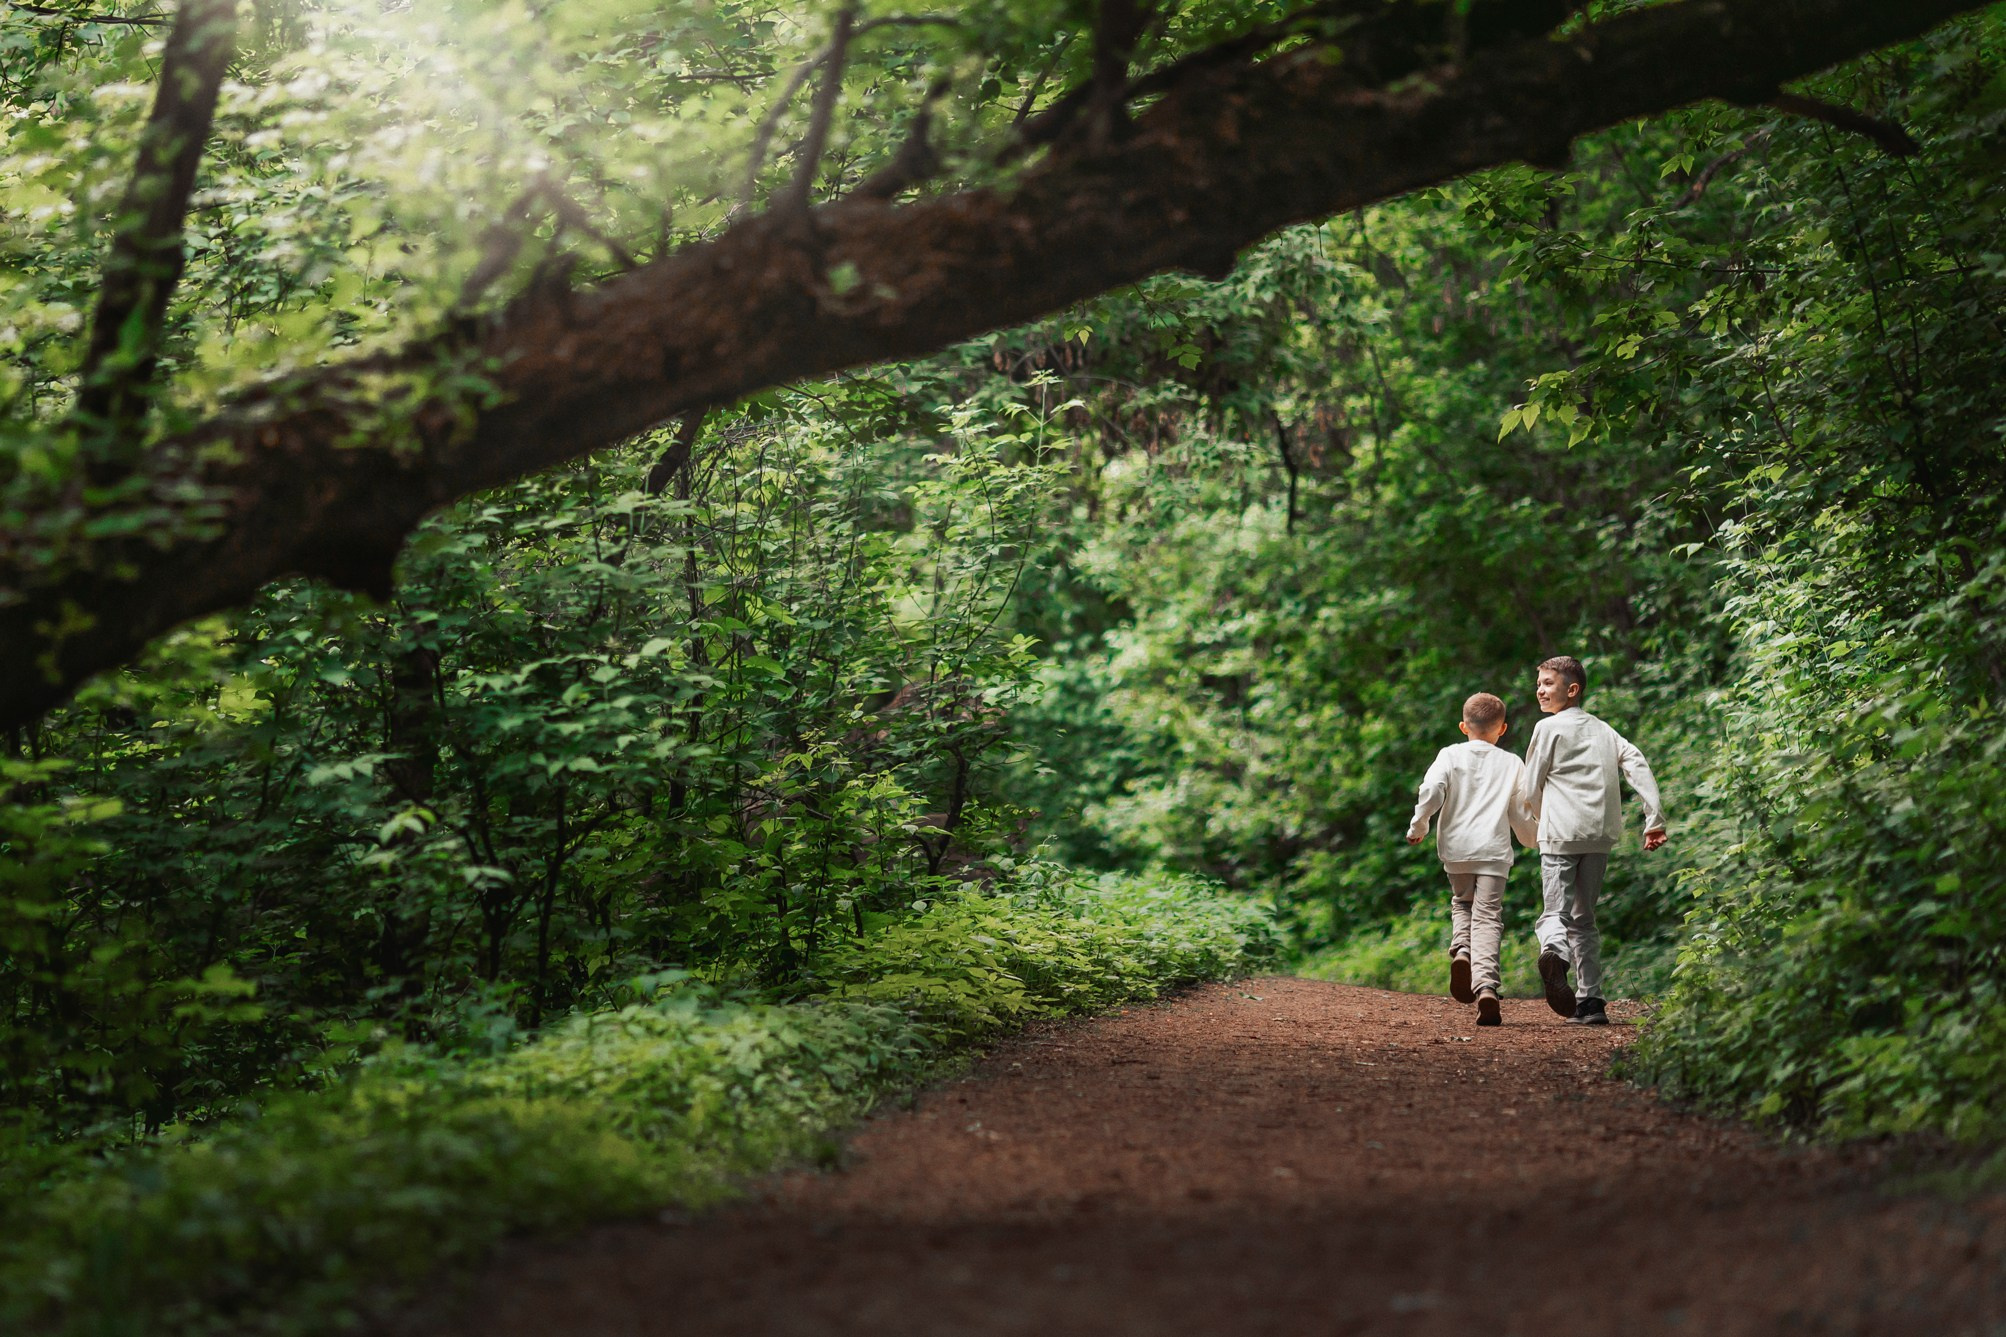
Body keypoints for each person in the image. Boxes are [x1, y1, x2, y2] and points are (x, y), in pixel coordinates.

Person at [1522, 655, 1667, 1026]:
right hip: (1600, 834)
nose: (1540, 689)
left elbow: (1531, 784)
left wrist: (1540, 820)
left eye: (1548, 683)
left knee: (1556, 913)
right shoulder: (1604, 730)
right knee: (1585, 919)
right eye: (1538, 683)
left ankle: (1554, 954)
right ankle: (1592, 1002)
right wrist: (1654, 819)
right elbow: (1637, 762)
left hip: (1560, 833)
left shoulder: (1547, 728)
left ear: (1572, 690)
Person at [1406, 691, 1538, 1027]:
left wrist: (1419, 824)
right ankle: (1486, 986)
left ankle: (1462, 950)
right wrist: (1533, 840)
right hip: (1493, 851)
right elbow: (1521, 811)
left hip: (1457, 849)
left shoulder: (1449, 755)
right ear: (1502, 729)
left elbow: (1432, 789)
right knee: (1488, 915)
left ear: (1464, 726)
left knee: (1463, 903)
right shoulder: (1512, 763)